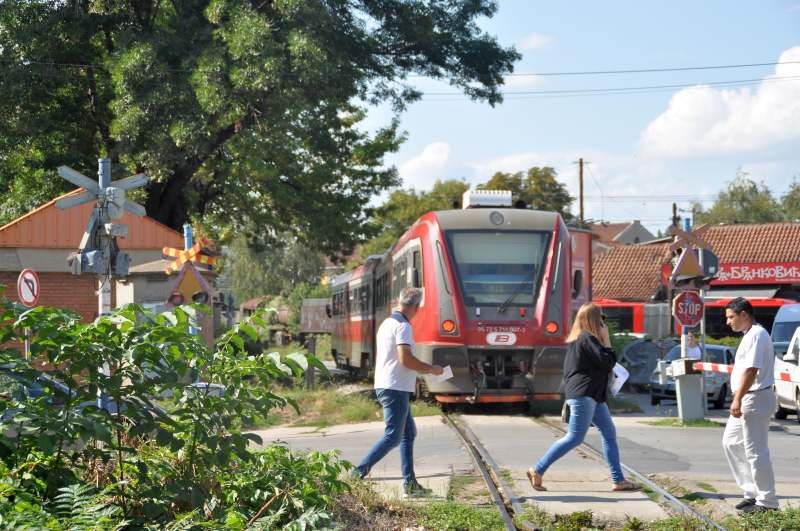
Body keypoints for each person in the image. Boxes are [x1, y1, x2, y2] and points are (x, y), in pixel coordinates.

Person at [527, 303, 636, 492]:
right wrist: (607, 340)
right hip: (585, 396)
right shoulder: (587, 338)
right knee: (575, 438)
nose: (603, 323)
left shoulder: (581, 340)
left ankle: (618, 480)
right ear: (594, 320)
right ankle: (537, 469)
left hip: (593, 396)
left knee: (609, 434)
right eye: (601, 319)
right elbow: (607, 362)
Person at [351, 287, 444, 497]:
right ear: (416, 307)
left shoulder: (387, 323)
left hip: (390, 384)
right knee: (394, 436)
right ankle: (356, 475)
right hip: (395, 388)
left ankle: (410, 484)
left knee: (408, 433)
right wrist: (431, 369)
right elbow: (405, 359)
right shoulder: (403, 326)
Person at [722, 297, 778, 513]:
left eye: (730, 317)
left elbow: (751, 370)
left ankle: (768, 502)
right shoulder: (750, 335)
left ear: (744, 314)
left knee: (756, 451)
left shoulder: (757, 335)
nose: (728, 322)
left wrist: (737, 398)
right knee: (731, 442)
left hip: (754, 398)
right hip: (748, 397)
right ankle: (752, 492)